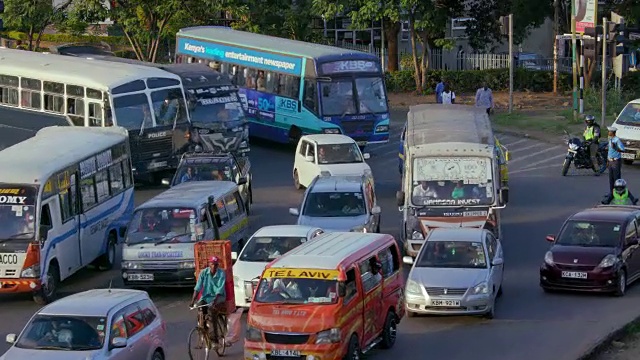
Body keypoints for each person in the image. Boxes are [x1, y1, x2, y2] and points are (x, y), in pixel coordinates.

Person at [190, 256, 226, 340]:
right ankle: (203, 330)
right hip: (206, 297)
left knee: (211, 311)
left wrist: (214, 302)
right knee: (200, 309)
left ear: (218, 265)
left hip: (218, 297)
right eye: (212, 264)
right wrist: (192, 301)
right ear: (209, 264)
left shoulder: (221, 273)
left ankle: (214, 339)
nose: (214, 266)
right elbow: (197, 288)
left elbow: (219, 290)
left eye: (216, 265)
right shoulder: (203, 273)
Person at [607, 126, 625, 191]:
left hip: (616, 161)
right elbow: (609, 151)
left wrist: (615, 148)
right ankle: (611, 193)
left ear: (613, 132)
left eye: (609, 131)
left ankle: (618, 192)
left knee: (616, 179)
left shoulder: (617, 140)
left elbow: (623, 149)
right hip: (610, 161)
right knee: (611, 179)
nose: (608, 132)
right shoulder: (610, 139)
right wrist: (607, 161)